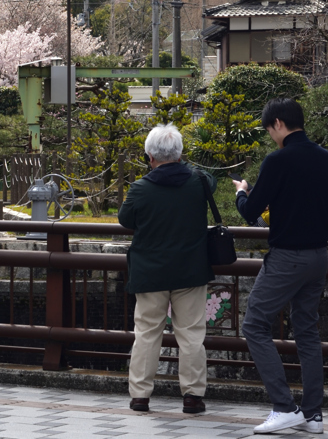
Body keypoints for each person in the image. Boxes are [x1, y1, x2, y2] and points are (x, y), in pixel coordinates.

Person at [233, 98, 328, 435]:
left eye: (269, 129)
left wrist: (242, 193)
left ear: (277, 124)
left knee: (255, 325)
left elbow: (250, 211)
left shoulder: (277, 160)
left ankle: (285, 407)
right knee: (306, 331)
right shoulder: (324, 157)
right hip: (320, 256)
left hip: (288, 256)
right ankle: (314, 415)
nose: (271, 135)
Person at [118, 124, 212, 415]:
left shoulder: (140, 189)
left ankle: (140, 396)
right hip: (191, 270)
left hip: (150, 272)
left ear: (149, 156)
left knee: (147, 332)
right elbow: (210, 178)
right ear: (181, 154)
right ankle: (193, 397)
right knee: (192, 333)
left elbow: (125, 220)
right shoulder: (199, 182)